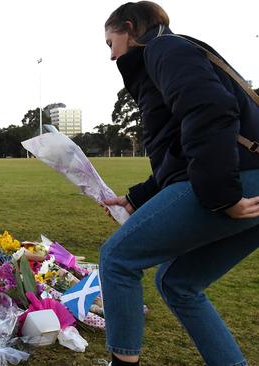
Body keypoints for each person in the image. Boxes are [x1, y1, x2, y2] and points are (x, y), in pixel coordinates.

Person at [99, 2, 259, 365]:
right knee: (177, 284)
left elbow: (211, 111)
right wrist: (138, 196)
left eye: (111, 42)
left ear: (130, 27)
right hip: (243, 181)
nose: (110, 56)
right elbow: (179, 151)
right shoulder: (168, 55)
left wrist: (223, 196)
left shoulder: (164, 49)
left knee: (117, 258)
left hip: (239, 183)